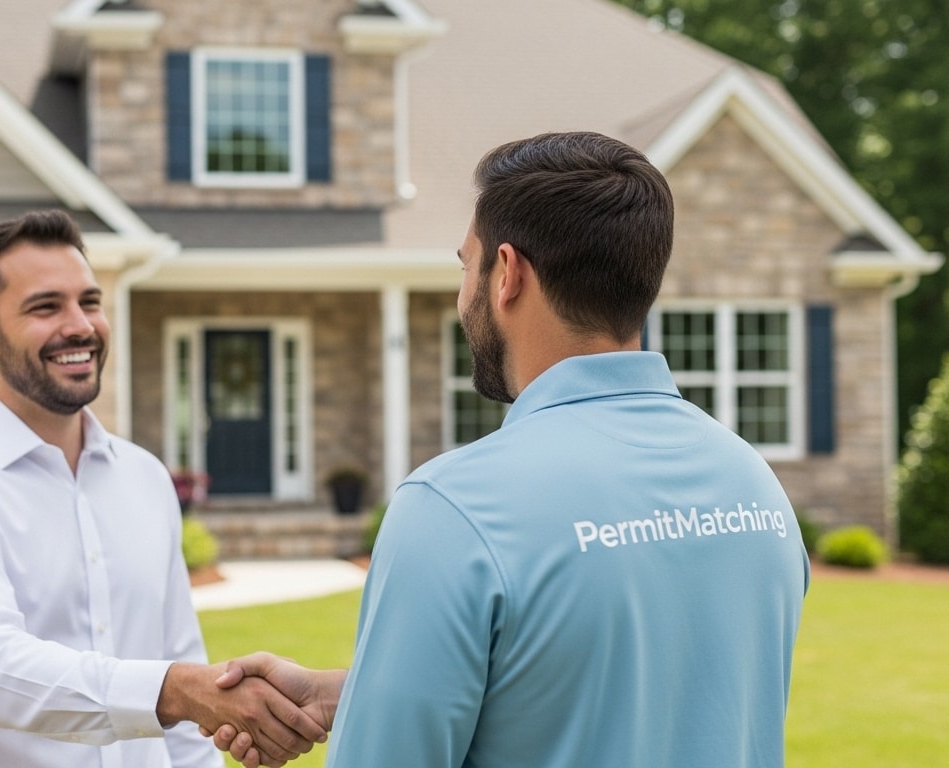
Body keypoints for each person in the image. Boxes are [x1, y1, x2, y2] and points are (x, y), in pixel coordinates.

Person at [212, 131, 810, 767]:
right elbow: (628, 692)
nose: (461, 293)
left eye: (465, 265)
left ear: (507, 274)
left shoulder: (454, 507)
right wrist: (363, 691)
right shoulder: (753, 484)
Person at [0, 210, 326, 768]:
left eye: (89, 301)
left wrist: (196, 703)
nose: (80, 325)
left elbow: (182, 666)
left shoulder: (144, 478)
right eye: (46, 306)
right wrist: (177, 690)